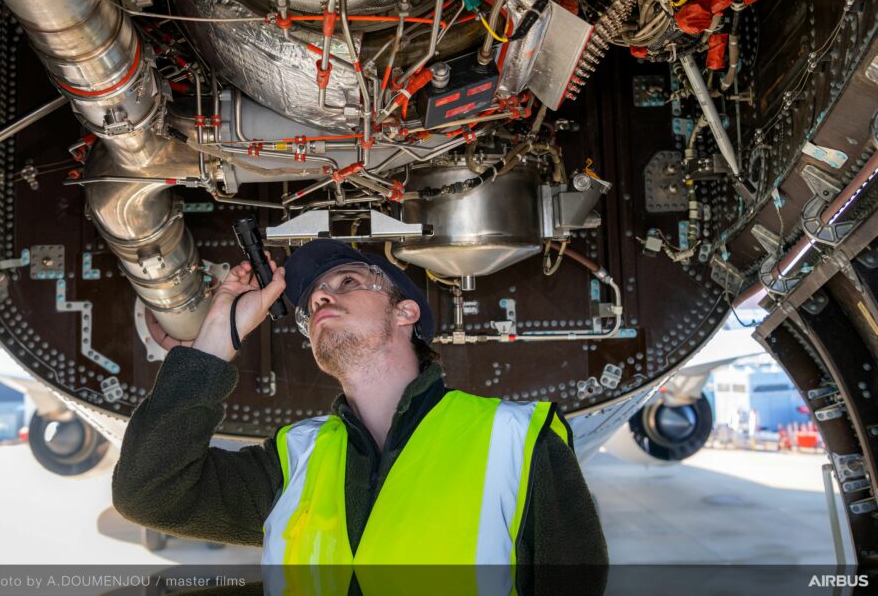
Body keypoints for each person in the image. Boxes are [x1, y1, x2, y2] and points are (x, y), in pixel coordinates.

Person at [112, 238, 608, 593]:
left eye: (347, 282)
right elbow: (150, 495)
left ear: (405, 312)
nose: (322, 297)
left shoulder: (519, 441)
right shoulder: (293, 461)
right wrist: (216, 339)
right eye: (311, 305)